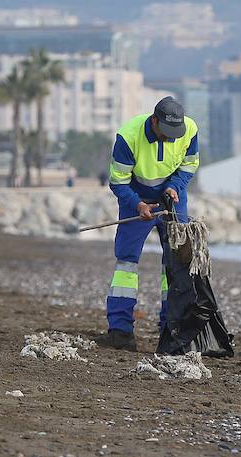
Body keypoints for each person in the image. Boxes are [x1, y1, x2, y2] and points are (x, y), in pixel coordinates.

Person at [95, 96, 200, 351]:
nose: (169, 138)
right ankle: (120, 332)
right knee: (126, 264)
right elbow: (118, 181)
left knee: (175, 264)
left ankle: (171, 330)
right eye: (165, 132)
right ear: (154, 121)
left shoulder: (190, 130)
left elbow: (189, 165)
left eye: (174, 134)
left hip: (172, 200)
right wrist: (138, 205)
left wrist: (175, 188)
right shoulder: (128, 137)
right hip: (137, 198)